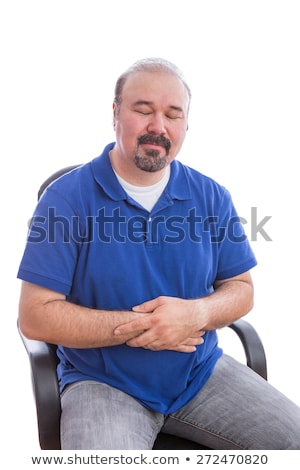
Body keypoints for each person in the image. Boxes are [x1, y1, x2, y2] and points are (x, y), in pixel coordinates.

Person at [17, 57, 300, 450]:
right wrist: (147, 327)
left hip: (199, 374)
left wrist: (195, 314)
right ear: (115, 114)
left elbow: (241, 288)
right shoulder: (65, 200)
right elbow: (35, 316)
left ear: (185, 125)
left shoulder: (211, 196)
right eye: (143, 110)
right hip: (104, 384)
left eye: (173, 114)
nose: (158, 126)